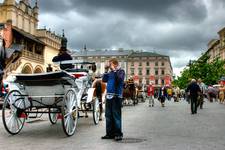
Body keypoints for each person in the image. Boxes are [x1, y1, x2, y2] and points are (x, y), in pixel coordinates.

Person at [102, 58, 125, 141]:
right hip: (109, 96)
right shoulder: (110, 72)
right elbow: (104, 80)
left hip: (116, 96)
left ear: (115, 64)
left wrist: (114, 70)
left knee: (116, 116)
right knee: (108, 116)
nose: (109, 65)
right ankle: (109, 134)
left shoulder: (121, 71)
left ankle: (118, 134)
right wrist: (106, 70)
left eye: (110, 64)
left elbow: (119, 80)